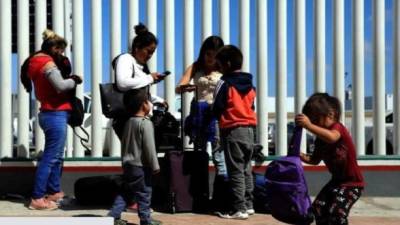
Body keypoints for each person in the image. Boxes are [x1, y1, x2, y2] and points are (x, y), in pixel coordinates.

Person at [24, 29, 82, 210]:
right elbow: (60, 85)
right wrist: (75, 79)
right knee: (50, 158)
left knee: (56, 157)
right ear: (54, 47)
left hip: (50, 113)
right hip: (55, 113)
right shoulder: (47, 63)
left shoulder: (34, 61)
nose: (63, 54)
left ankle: (54, 191)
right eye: (61, 50)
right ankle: (37, 198)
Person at [295, 93, 365, 225]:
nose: (313, 125)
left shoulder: (337, 128)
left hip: (352, 184)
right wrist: (300, 155)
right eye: (311, 121)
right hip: (336, 182)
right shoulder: (320, 140)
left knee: (336, 212)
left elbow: (332, 137)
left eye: (315, 120)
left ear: (331, 114)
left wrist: (309, 126)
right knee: (318, 208)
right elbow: (314, 160)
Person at [212, 45, 257, 219]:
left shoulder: (224, 82)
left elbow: (217, 106)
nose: (219, 68)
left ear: (227, 64)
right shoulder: (250, 84)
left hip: (232, 129)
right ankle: (249, 204)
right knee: (246, 167)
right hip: (250, 130)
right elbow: (251, 106)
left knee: (235, 170)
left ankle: (239, 208)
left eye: (220, 65)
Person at [108, 88, 162, 225]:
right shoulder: (146, 123)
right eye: (148, 101)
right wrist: (155, 165)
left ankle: (113, 216)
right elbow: (150, 148)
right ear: (144, 104)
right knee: (144, 193)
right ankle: (145, 220)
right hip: (141, 166)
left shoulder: (128, 122)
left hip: (128, 164)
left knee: (126, 191)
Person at [112, 23, 167, 139]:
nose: (150, 55)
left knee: (143, 155)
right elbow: (122, 83)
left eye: (153, 52)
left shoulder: (142, 66)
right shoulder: (125, 59)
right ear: (137, 47)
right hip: (128, 119)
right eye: (148, 51)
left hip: (141, 118)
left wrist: (158, 100)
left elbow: (138, 92)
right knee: (134, 155)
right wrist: (149, 78)